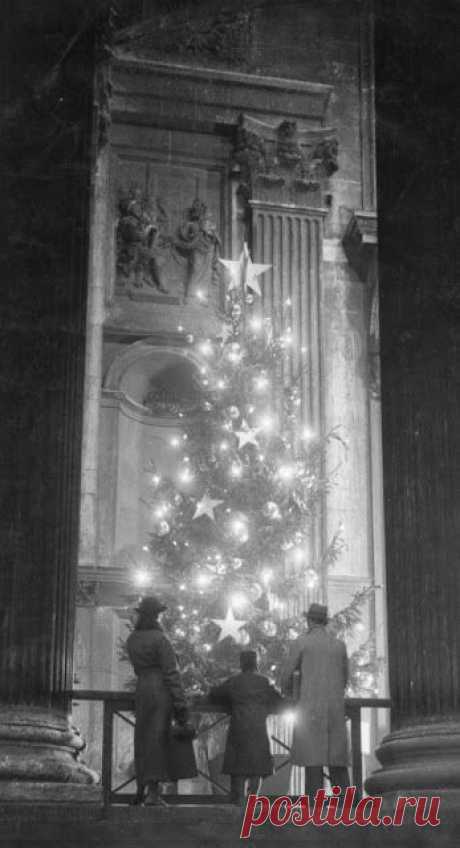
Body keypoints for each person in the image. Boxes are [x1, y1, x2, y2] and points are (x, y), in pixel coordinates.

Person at [126, 595, 196, 805]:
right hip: (160, 690)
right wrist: (181, 704)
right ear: (157, 616)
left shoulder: (133, 639)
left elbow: (137, 667)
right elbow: (171, 673)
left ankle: (141, 787)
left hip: (142, 689)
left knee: (142, 737)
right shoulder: (160, 639)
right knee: (157, 739)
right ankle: (154, 794)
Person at [281, 602, 350, 800]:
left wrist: (287, 691)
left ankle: (314, 812)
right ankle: (348, 809)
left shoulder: (302, 642)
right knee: (337, 762)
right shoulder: (339, 645)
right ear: (325, 621)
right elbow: (345, 677)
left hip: (310, 707)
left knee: (313, 762)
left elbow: (286, 675)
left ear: (309, 620)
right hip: (335, 708)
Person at [208, 649, 285, 804]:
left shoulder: (234, 681)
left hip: (239, 725)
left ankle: (239, 799)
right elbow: (278, 699)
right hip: (258, 726)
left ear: (241, 663)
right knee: (257, 767)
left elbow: (215, 694)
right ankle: (253, 799)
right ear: (256, 663)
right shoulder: (263, 681)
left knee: (238, 765)